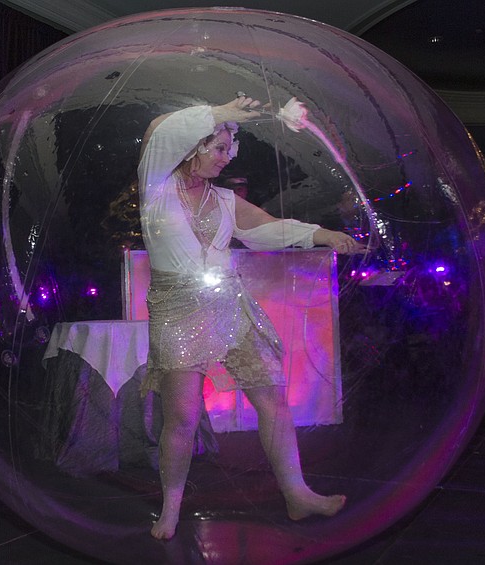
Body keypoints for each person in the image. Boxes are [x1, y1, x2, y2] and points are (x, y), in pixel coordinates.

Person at [137, 95, 358, 540]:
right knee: (181, 416)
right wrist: (218, 113)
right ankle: (171, 508)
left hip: (228, 306)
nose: (227, 158)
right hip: (177, 312)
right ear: (193, 145)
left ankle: (297, 495)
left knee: (273, 400)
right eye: (219, 149)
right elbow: (160, 131)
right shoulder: (156, 185)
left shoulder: (223, 199)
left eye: (227, 149)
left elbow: (265, 230)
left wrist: (320, 234)